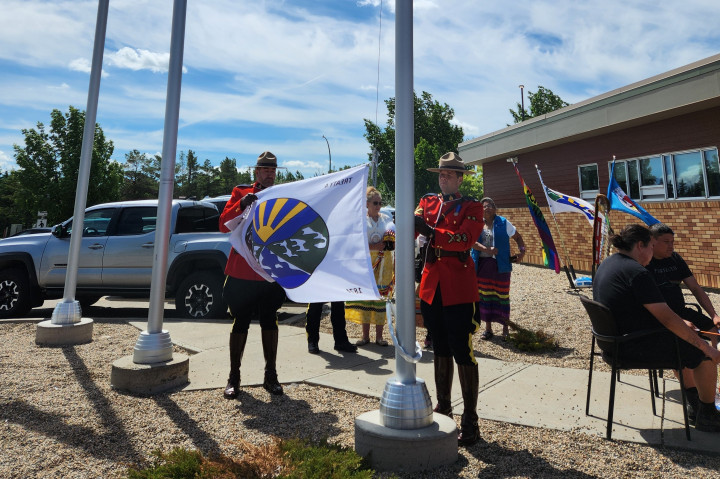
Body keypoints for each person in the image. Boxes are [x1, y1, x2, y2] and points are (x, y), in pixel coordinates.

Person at [593, 224, 720, 432]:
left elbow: (645, 312)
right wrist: (707, 349)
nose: (652, 253)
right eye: (652, 246)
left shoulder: (608, 264)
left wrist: (681, 325)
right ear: (641, 245)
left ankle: (695, 404)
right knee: (702, 354)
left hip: (613, 343)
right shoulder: (637, 272)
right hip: (632, 346)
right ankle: (707, 415)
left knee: (687, 338)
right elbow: (668, 320)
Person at [414, 152, 484, 446]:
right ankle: (444, 406)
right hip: (433, 283)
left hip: (458, 284)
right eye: (440, 174)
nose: (443, 179)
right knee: (439, 344)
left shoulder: (472, 206)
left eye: (448, 175)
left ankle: (470, 420)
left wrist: (431, 232)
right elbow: (414, 220)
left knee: (462, 348)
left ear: (459, 178)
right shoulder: (428, 202)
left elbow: (465, 239)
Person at [220, 151, 286, 399]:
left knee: (270, 320)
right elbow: (223, 223)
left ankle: (271, 376)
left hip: (269, 271)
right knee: (241, 321)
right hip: (243, 271)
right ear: (256, 172)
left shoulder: (281, 195)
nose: (270, 173)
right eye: (265, 170)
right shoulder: (241, 192)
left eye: (273, 170)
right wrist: (242, 204)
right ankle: (234, 377)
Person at [646, 222, 720, 420]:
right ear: (651, 242)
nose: (671, 246)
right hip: (663, 316)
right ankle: (693, 396)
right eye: (666, 242)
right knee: (684, 346)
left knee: (714, 330)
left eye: (673, 242)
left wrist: (713, 314)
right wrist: (679, 323)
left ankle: (712, 376)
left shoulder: (675, 259)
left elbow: (695, 288)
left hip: (682, 310)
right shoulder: (645, 262)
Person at [345, 186, 394, 347]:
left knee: (380, 298)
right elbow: (356, 243)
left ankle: (379, 336)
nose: (378, 206)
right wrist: (375, 246)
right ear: (367, 204)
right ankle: (365, 335)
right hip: (366, 262)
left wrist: (388, 243)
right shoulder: (360, 221)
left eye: (380, 203)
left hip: (384, 262)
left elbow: (392, 237)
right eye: (375, 203)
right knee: (366, 297)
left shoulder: (386, 219)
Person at [471, 197, 525, 341]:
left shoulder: (503, 223)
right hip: (482, 266)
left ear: (495, 208)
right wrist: (487, 249)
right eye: (484, 206)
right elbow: (472, 242)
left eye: (490, 206)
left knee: (502, 296)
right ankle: (488, 329)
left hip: (501, 266)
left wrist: (522, 251)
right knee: (485, 296)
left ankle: (505, 328)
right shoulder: (477, 224)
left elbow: (518, 237)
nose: (487, 208)